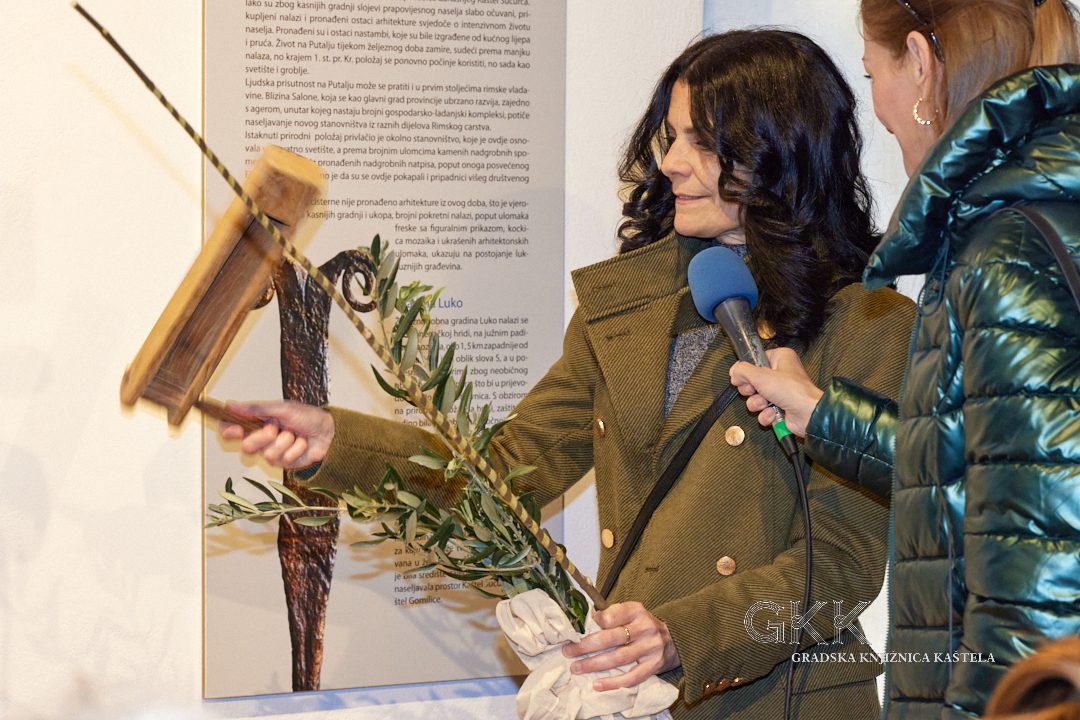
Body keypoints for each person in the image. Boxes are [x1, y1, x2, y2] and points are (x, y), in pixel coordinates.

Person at [221, 30, 915, 718]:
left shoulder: (868, 322)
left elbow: (845, 564)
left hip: (779, 701)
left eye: (703, 142)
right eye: (670, 136)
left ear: (780, 152)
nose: (672, 163)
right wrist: (336, 441)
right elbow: (504, 474)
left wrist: (686, 634)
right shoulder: (629, 308)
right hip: (634, 697)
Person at [729, 2, 1080, 718]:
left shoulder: (1006, 252)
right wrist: (826, 416)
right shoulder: (1029, 217)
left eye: (872, 74)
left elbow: (1038, 559)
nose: (879, 110)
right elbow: (997, 473)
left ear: (920, 63)